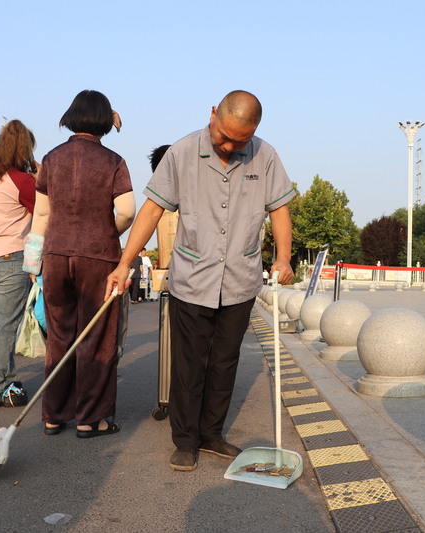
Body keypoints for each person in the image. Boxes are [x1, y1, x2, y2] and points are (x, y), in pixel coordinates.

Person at [106, 90, 295, 471]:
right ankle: (186, 440)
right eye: (223, 136)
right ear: (212, 114)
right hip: (192, 278)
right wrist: (124, 263)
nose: (228, 145)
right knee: (189, 363)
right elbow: (152, 208)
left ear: (254, 131)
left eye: (238, 140)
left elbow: (280, 209)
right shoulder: (181, 153)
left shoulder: (266, 155)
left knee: (224, 362)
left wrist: (285, 258)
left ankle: (212, 434)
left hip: (240, 279)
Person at [23, 90, 134, 437]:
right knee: (97, 337)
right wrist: (105, 232)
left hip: (55, 255)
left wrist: (33, 263)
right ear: (104, 121)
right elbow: (128, 211)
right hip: (98, 256)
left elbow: (41, 213)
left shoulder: (51, 158)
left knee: (59, 335)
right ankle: (90, 418)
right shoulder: (113, 161)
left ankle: (53, 416)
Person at [0, 120, 38, 408]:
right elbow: (45, 210)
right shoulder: (23, 181)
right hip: (11, 258)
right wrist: (39, 176)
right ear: (25, 149)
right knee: (5, 327)